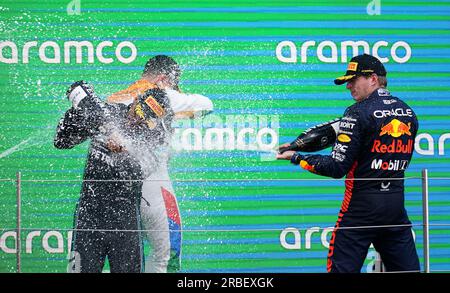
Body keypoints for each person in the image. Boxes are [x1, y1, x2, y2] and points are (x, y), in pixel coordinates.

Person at [277, 54, 420, 273]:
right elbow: (347, 133)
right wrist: (300, 144)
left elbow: (337, 167)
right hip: (395, 211)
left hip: (359, 212)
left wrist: (297, 157)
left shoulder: (357, 112)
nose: (348, 86)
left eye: (353, 80)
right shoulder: (408, 113)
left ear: (372, 79)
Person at [107, 55, 213, 273]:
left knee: (126, 260)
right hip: (153, 184)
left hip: (115, 191)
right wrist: (175, 109)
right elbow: (206, 105)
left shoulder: (116, 98)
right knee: (166, 255)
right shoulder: (163, 94)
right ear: (164, 78)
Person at [54, 80, 174, 273]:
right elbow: (61, 140)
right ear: (135, 102)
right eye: (139, 114)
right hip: (89, 216)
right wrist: (81, 115)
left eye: (146, 122)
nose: (138, 122)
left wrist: (123, 153)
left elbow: (140, 171)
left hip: (125, 223)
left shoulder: (153, 139)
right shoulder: (108, 112)